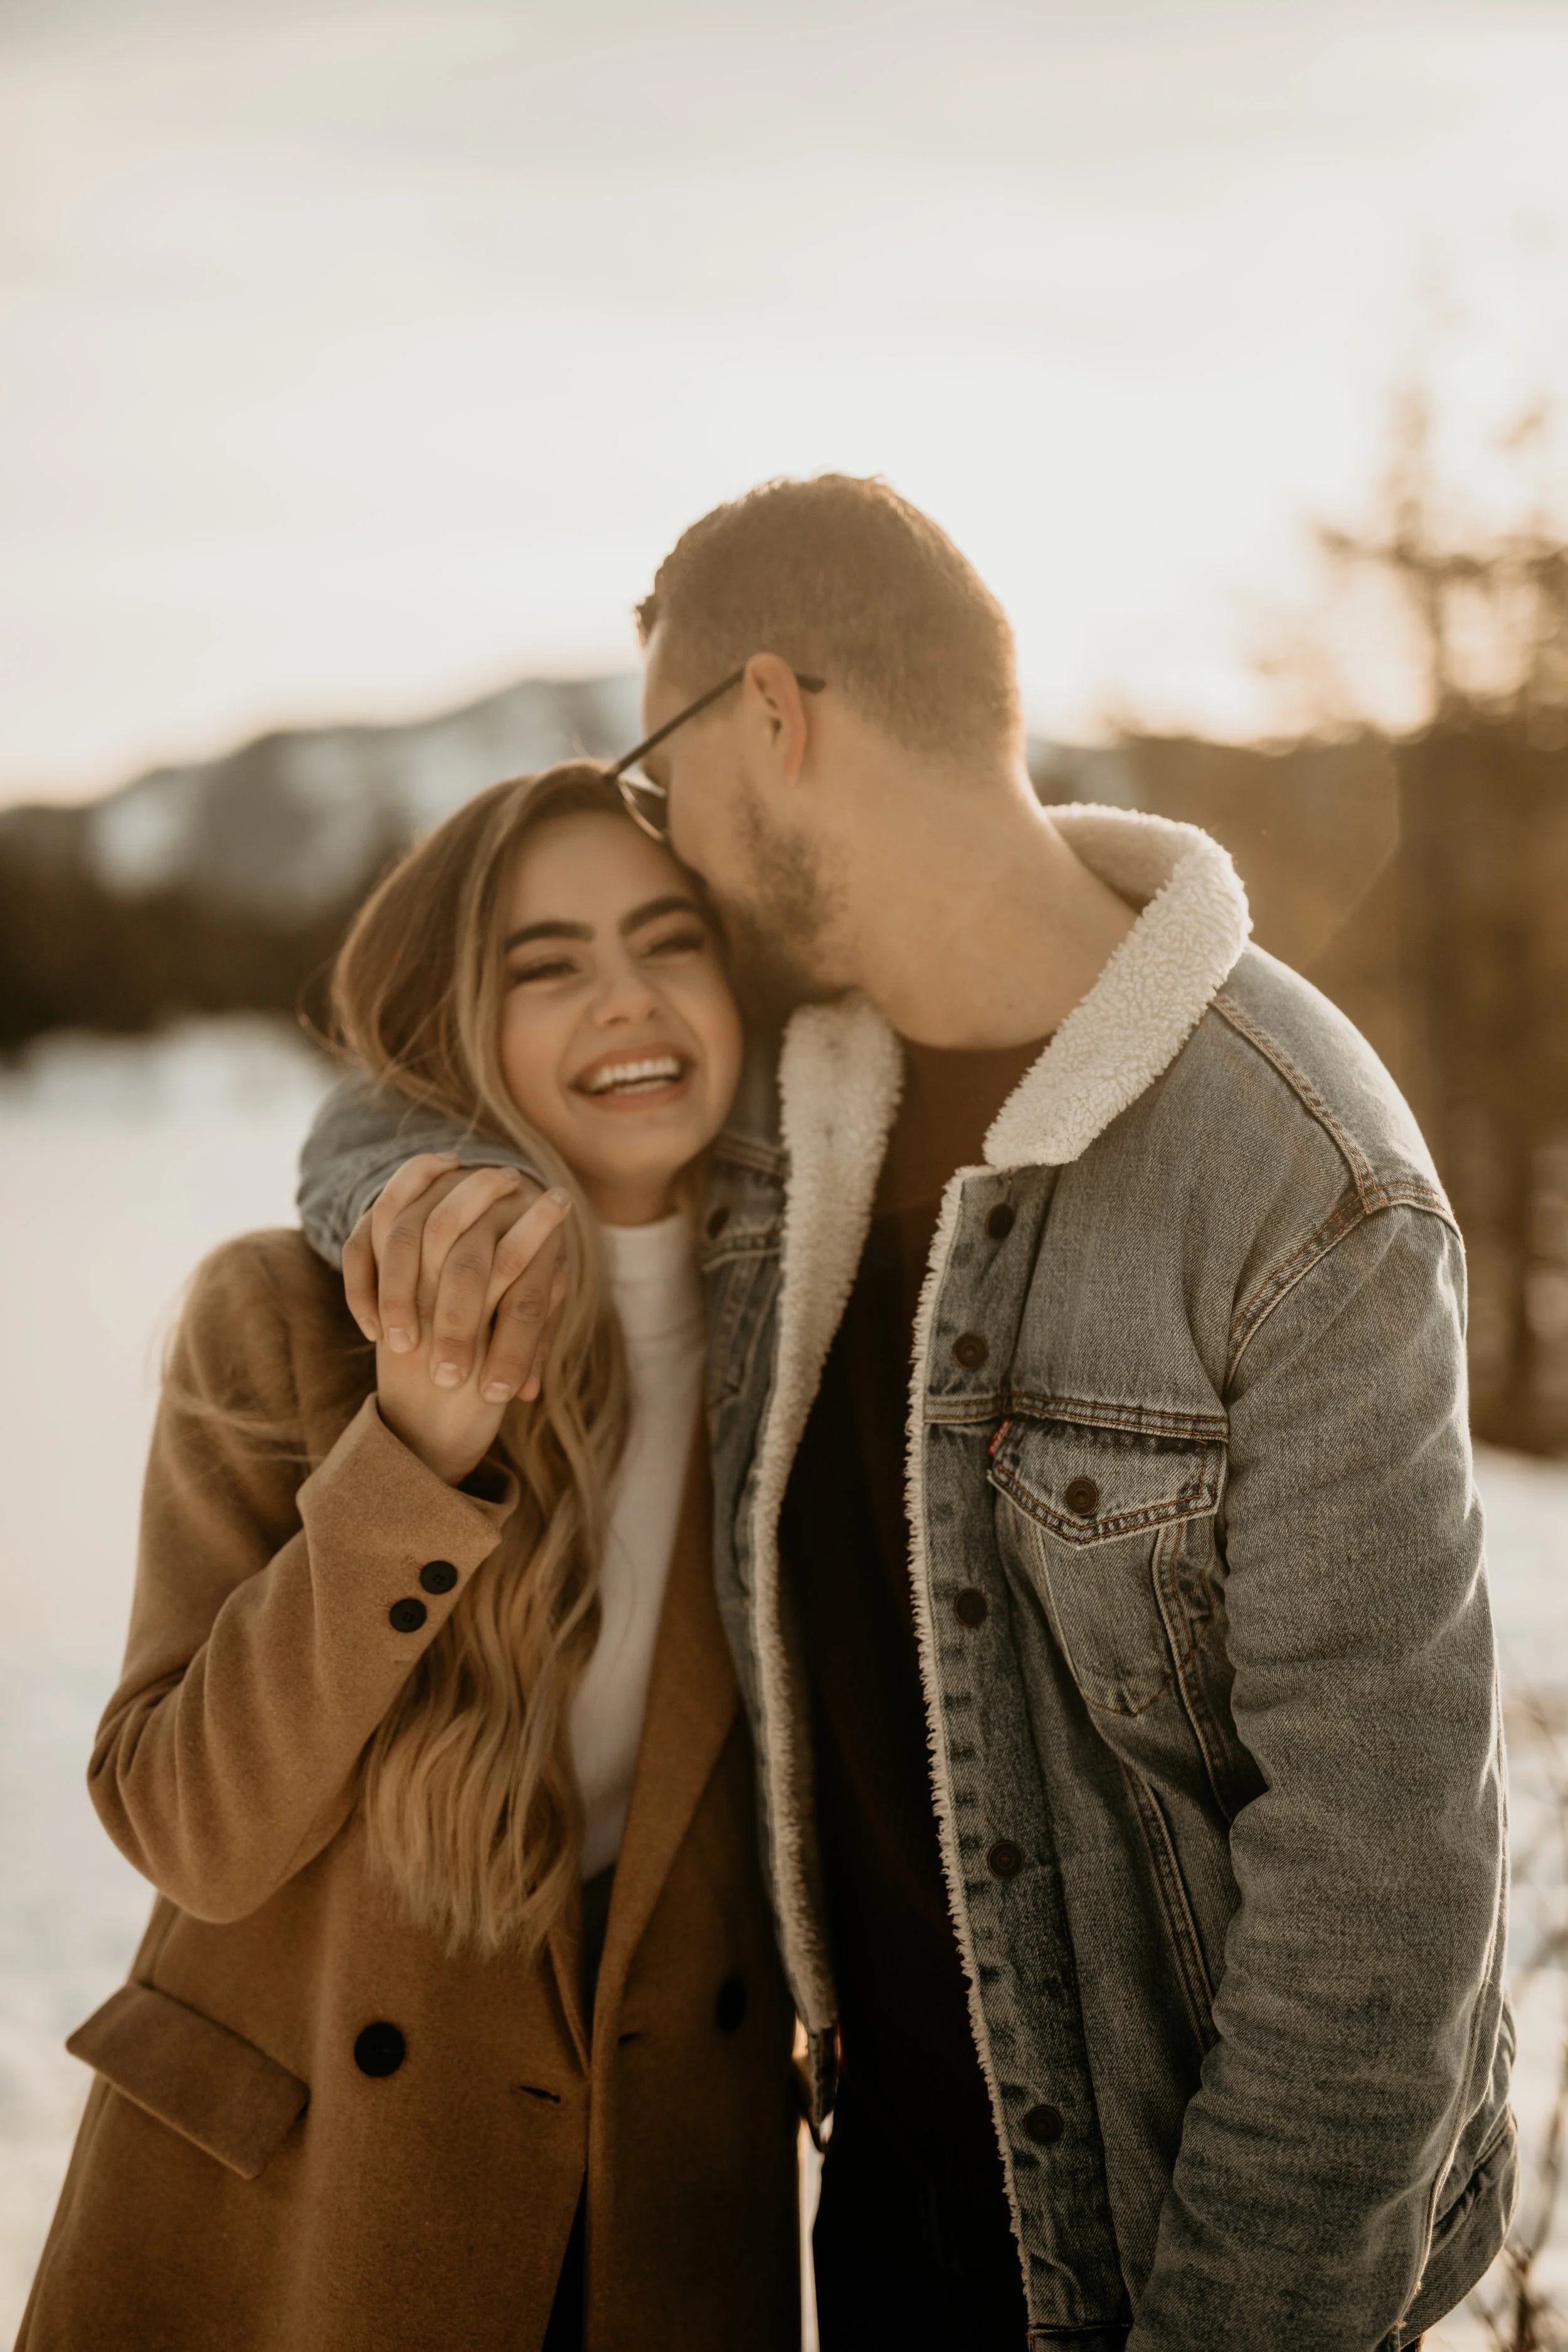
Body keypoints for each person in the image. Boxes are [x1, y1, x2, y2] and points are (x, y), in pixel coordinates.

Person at [295, 477, 1513, 2352]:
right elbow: (423, 1080)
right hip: (880, 2219)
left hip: (1183, 2253)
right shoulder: (794, 1083)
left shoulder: (1294, 1171)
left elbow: (1380, 1891)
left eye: (658, 782)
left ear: (767, 718)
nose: (668, 843)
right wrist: (407, 1211)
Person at [20, 765, 802, 2352]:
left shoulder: (808, 1342)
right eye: (546, 965)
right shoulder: (282, 1315)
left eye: (670, 941)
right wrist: (414, 1453)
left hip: (660, 2211)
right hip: (312, 2222)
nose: (626, 1000)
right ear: (462, 1027)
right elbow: (192, 1830)